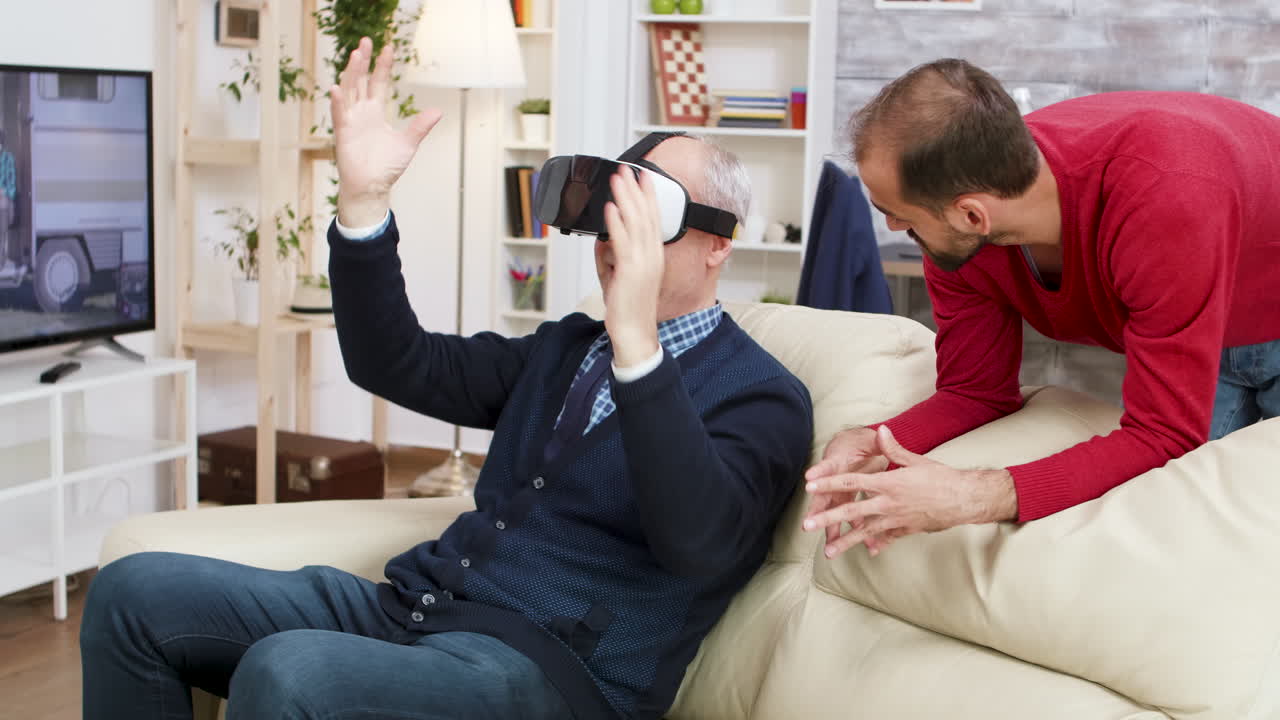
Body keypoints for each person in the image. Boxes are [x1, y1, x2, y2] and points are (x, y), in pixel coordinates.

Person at [80, 38, 813, 720]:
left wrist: (636, 344)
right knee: (132, 592)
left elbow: (699, 541)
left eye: (647, 216)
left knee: (291, 671)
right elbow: (396, 362)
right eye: (610, 211)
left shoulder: (763, 397)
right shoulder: (564, 348)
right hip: (417, 610)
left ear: (717, 244)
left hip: (552, 674)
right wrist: (363, 208)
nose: (614, 240)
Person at [804, 58, 1280, 558]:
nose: (895, 228)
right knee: (1199, 541)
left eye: (895, 213)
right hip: (1206, 309)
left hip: (1249, 283)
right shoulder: (967, 215)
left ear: (972, 214)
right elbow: (976, 391)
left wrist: (972, 495)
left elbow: (1161, 433)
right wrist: (873, 441)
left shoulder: (1163, 200)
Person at [0, 128, 16, 275]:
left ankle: (1, 261)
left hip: (3, 203)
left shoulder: (8, 158)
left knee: (2, 234)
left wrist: (6, 194)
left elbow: (11, 182)